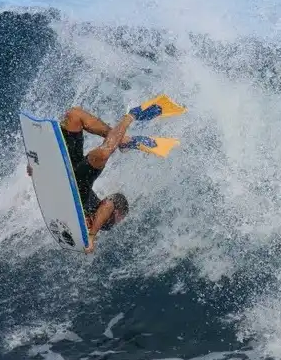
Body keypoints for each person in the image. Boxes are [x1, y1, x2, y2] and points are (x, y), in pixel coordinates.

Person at [27, 99, 176, 253]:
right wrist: (92, 235)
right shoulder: (105, 222)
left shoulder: (79, 218)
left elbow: (48, 184)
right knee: (75, 115)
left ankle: (120, 140)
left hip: (68, 178)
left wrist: (38, 169)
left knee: (75, 117)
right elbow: (110, 203)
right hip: (79, 183)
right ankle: (130, 118)